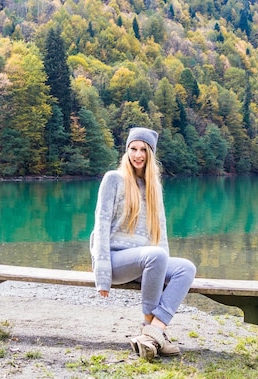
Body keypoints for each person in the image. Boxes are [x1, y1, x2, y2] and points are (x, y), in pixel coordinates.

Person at [90, 126, 197, 361]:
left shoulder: (153, 188)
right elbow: (101, 225)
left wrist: (162, 267)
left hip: (146, 260)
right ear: (127, 151)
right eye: (133, 148)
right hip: (117, 260)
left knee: (186, 268)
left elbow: (161, 235)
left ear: (150, 153)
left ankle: (155, 331)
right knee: (156, 255)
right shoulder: (114, 179)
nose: (138, 154)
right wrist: (103, 274)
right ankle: (150, 329)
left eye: (143, 150)